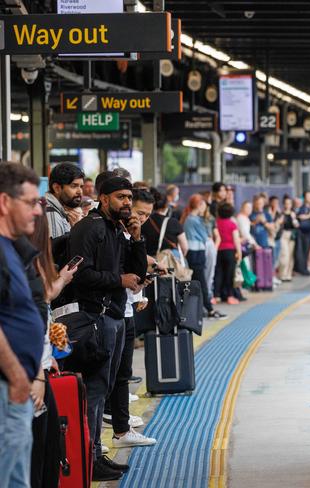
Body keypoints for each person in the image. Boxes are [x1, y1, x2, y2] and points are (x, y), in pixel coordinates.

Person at [62, 176, 147, 481]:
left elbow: (136, 273)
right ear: (103, 197)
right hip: (93, 319)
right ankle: (89, 457)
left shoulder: (116, 229)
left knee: (105, 389)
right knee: (95, 393)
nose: (127, 202)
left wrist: (137, 238)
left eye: (129, 197)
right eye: (121, 197)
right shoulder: (90, 228)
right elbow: (80, 274)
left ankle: (97, 452)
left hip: (113, 317)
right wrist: (118, 281)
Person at [0, 163, 47, 488]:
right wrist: (18, 378)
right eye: (31, 202)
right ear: (4, 203)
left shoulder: (14, 251)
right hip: (8, 389)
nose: (38, 211)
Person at [27, 207, 78, 488]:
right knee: (34, 458)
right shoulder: (16, 263)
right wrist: (36, 372)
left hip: (38, 368)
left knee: (48, 450)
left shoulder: (25, 261)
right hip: (27, 375)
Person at [104, 189, 157, 450]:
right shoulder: (108, 232)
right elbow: (116, 272)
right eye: (139, 212)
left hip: (125, 307)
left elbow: (134, 272)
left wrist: (139, 294)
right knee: (110, 376)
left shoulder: (131, 234)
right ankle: (112, 426)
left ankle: (121, 427)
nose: (142, 218)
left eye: (147, 215)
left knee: (123, 373)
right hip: (111, 311)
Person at [181, 194, 226, 319]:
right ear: (199, 205)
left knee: (198, 281)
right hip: (197, 252)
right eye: (204, 204)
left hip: (194, 252)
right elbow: (205, 236)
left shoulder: (189, 218)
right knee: (201, 282)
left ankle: (201, 308)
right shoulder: (194, 220)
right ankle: (209, 309)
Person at [141, 188, 188, 260]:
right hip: (170, 261)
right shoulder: (174, 222)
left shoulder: (144, 221)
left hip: (149, 260)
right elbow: (184, 247)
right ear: (166, 205)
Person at [45, 162, 85, 239]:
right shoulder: (52, 215)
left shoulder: (57, 210)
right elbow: (55, 250)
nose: (80, 191)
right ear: (57, 188)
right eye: (74, 186)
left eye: (81, 186)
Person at [214, 203, 242, 304]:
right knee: (229, 274)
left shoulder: (216, 223)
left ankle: (216, 296)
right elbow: (236, 240)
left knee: (218, 273)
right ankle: (230, 296)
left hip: (218, 251)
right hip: (230, 251)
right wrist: (239, 252)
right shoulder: (232, 224)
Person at [294, 191, 310, 276]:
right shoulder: (303, 208)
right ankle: (302, 269)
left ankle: (305, 267)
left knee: (307, 251)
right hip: (303, 233)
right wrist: (309, 216)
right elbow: (299, 217)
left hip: (309, 232)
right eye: (308, 196)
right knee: (302, 251)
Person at [277, 196, 298, 281]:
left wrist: (293, 218)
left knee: (290, 255)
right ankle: (282, 274)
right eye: (286, 203)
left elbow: (296, 225)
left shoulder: (293, 214)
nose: (287, 205)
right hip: (283, 235)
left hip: (291, 235)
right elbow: (278, 224)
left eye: (289, 203)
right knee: (284, 255)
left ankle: (288, 274)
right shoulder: (281, 214)